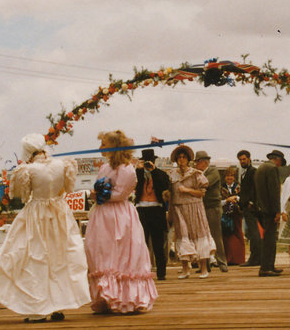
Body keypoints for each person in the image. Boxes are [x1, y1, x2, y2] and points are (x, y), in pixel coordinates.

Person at [0, 134, 90, 323]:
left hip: (36, 215)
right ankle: (58, 305)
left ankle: (38, 308)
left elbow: (19, 194)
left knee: (35, 258)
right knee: (59, 259)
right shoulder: (63, 164)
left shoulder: (27, 170)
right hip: (59, 214)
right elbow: (66, 188)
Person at [85, 130, 158, 313]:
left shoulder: (127, 169)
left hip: (119, 215)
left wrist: (101, 194)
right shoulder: (105, 167)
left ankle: (126, 297)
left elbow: (120, 194)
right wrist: (96, 194)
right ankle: (107, 295)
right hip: (103, 215)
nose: (100, 148)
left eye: (104, 144)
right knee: (102, 251)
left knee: (123, 253)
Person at [168, 144, 214, 278]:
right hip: (179, 209)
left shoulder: (196, 174)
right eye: (179, 157)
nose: (181, 160)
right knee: (182, 237)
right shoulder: (172, 175)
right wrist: (170, 212)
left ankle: (204, 268)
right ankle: (185, 269)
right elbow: (171, 195)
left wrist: (187, 190)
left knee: (199, 235)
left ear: (188, 159)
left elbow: (201, 193)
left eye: (184, 157)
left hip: (194, 208)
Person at [134, 149, 170, 281]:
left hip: (156, 209)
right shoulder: (138, 174)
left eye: (151, 161)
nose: (148, 164)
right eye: (146, 161)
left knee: (158, 244)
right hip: (142, 209)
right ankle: (142, 271)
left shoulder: (161, 174)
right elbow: (131, 183)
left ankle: (161, 273)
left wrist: (154, 171)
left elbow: (164, 185)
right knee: (141, 243)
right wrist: (139, 169)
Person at [194, 150, 228, 272]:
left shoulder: (213, 171)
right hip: (201, 207)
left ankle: (222, 262)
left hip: (212, 207)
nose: (195, 165)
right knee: (202, 237)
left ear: (203, 162)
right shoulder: (198, 173)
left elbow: (205, 183)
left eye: (197, 162)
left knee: (216, 235)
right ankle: (205, 264)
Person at [254, 150, 284, 277]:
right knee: (270, 239)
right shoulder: (272, 169)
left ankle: (269, 265)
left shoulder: (261, 168)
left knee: (267, 238)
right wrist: (277, 211)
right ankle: (266, 267)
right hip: (270, 209)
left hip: (262, 208)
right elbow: (274, 191)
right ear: (278, 160)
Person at [237, 150, 262, 267]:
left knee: (254, 233)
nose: (242, 161)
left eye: (244, 159)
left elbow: (256, 189)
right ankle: (257, 257)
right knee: (252, 233)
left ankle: (255, 258)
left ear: (249, 159)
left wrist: (251, 202)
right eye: (240, 160)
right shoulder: (245, 172)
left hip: (251, 207)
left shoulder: (253, 172)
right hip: (246, 206)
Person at [220, 166, 245, 266]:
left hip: (236, 214)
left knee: (238, 234)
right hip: (225, 215)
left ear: (234, 177)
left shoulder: (239, 186)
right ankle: (228, 258)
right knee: (226, 236)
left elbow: (243, 198)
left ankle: (238, 259)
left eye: (231, 175)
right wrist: (227, 200)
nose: (229, 178)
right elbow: (218, 201)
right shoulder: (220, 187)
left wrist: (236, 198)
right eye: (227, 175)